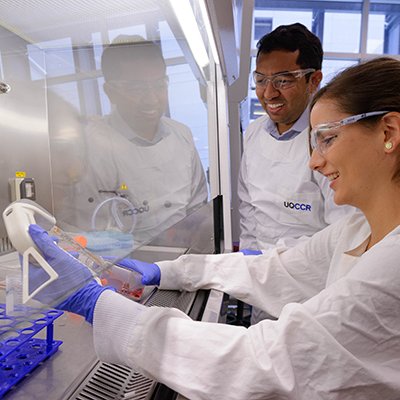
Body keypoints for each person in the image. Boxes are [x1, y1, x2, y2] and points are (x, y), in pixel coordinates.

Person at [28, 56, 400, 399]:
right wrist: (166, 272)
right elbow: (276, 269)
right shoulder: (356, 228)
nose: (315, 162)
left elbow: (261, 361)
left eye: (328, 139)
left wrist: (98, 305)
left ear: (388, 132)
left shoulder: (392, 264)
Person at [237, 23, 353, 324]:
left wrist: (274, 262)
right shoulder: (252, 134)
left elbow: (342, 231)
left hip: (312, 295)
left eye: (283, 80)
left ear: (314, 80)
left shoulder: (331, 138)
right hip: (260, 289)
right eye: (260, 80)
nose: (268, 92)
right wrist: (247, 271)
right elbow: (249, 212)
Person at [56, 35, 208, 246]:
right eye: (137, 89)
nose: (152, 99)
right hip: (121, 265)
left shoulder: (182, 135)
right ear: (110, 92)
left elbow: (197, 209)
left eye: (159, 85)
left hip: (182, 258)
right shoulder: (91, 146)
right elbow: (88, 229)